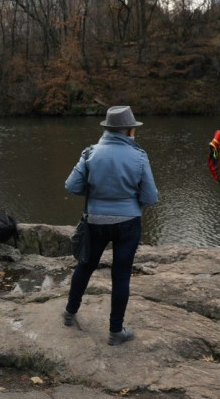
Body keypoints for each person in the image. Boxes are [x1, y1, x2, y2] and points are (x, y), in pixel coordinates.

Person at [62, 106, 159, 346]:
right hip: (128, 223)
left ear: (107, 129)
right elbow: (150, 197)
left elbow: (72, 186)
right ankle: (116, 332)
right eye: (133, 129)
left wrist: (97, 193)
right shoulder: (139, 156)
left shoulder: (90, 153)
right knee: (121, 275)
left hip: (95, 221)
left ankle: (69, 313)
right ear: (128, 130)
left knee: (85, 266)